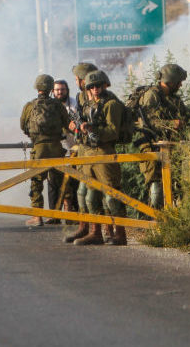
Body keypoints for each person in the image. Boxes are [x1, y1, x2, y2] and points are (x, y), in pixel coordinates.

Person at [136, 63, 190, 209]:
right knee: (157, 190)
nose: (180, 85)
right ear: (170, 81)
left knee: (177, 186)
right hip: (151, 146)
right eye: (179, 82)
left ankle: (174, 224)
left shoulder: (174, 100)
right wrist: (171, 124)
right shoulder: (151, 95)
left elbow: (189, 116)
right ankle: (158, 226)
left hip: (171, 148)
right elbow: (148, 122)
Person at [72, 70, 127, 246]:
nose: (95, 89)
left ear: (105, 85)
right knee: (90, 196)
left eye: (98, 85)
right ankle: (96, 233)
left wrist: (93, 129)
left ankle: (120, 233)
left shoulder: (111, 105)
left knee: (111, 195)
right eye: (91, 86)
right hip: (87, 152)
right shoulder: (87, 105)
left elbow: (112, 132)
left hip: (103, 152)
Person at [20, 74, 70, 227]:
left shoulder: (30, 106)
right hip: (56, 147)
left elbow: (23, 125)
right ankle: (68, 212)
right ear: (50, 88)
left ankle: (38, 216)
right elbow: (67, 123)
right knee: (62, 180)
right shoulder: (58, 105)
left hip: (39, 148)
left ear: (37, 87)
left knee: (36, 182)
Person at [63, 62, 98, 243]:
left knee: (99, 193)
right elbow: (81, 119)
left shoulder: (99, 97)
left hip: (98, 150)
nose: (76, 82)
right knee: (82, 192)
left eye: (77, 79)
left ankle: (101, 231)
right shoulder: (82, 97)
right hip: (84, 148)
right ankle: (84, 228)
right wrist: (75, 126)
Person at [53, 79, 81, 217]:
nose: (60, 92)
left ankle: (74, 210)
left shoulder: (74, 103)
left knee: (75, 179)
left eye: (62, 89)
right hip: (58, 147)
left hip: (74, 147)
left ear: (67, 90)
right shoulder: (51, 105)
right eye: (57, 90)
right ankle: (57, 213)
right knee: (57, 181)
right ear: (53, 91)